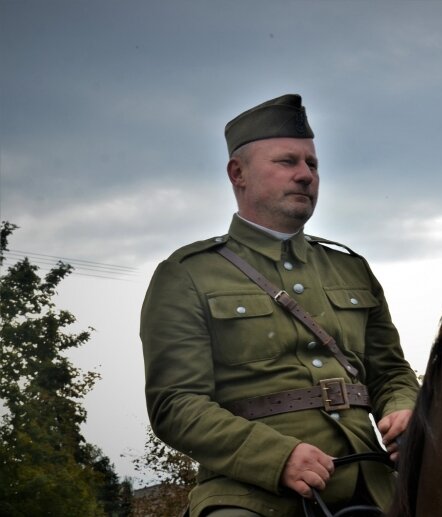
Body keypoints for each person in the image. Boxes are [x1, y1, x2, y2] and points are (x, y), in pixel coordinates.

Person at [140, 94, 420, 517]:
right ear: (239, 174)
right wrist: (277, 458)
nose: (306, 175)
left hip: (375, 481)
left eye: (313, 164)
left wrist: (404, 407)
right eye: (287, 162)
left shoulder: (351, 269)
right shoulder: (187, 274)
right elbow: (176, 404)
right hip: (250, 494)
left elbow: (391, 372)